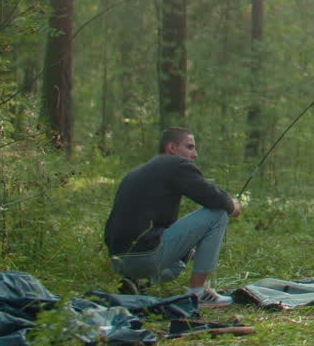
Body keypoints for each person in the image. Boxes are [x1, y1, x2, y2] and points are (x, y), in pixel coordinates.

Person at [104, 127, 242, 306]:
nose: (195, 154)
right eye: (190, 147)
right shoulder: (175, 164)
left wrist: (190, 249)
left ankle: (139, 283)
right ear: (172, 148)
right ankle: (198, 292)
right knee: (218, 214)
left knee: (183, 257)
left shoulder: (139, 172)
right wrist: (232, 205)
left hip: (118, 261)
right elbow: (212, 197)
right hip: (146, 256)